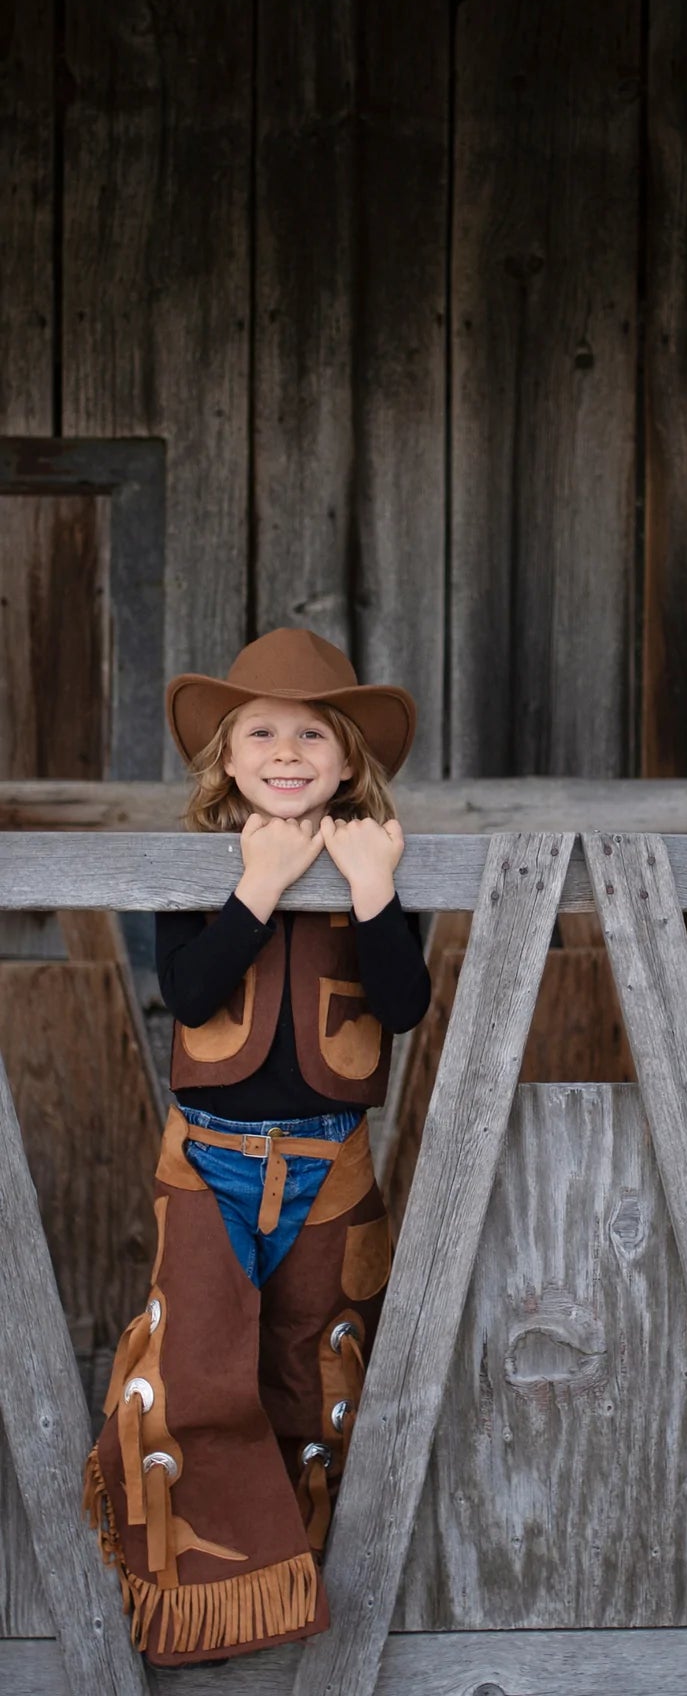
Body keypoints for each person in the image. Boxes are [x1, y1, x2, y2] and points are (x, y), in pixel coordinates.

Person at [83, 628, 431, 1667]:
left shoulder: (374, 856)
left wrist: (372, 887)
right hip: (211, 1159)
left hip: (331, 1166)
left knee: (312, 1362)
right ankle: (199, 1594)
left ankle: (293, 1573)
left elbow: (404, 1002)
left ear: (346, 757)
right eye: (264, 733)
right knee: (196, 1368)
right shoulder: (197, 866)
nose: (288, 752)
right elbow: (187, 994)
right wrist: (258, 885)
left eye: (313, 733)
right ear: (227, 758)